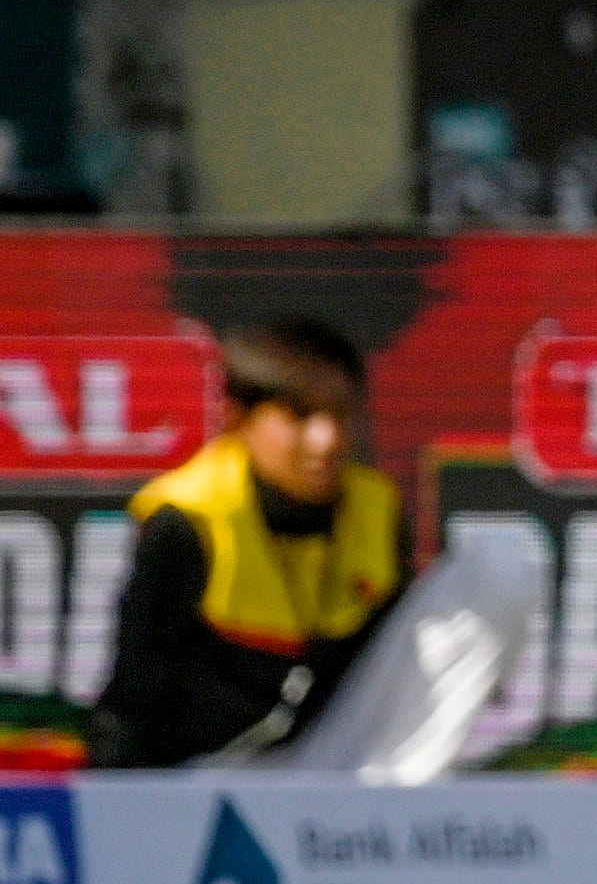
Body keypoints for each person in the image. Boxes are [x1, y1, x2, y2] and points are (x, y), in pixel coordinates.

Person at [85, 317, 534, 783]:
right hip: (204, 778)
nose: (327, 440)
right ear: (238, 419)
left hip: (335, 769)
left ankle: (395, 819)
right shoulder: (188, 518)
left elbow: (393, 670)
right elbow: (133, 692)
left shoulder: (376, 508)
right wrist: (114, 813)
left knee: (500, 562)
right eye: (299, 417)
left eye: (340, 415)